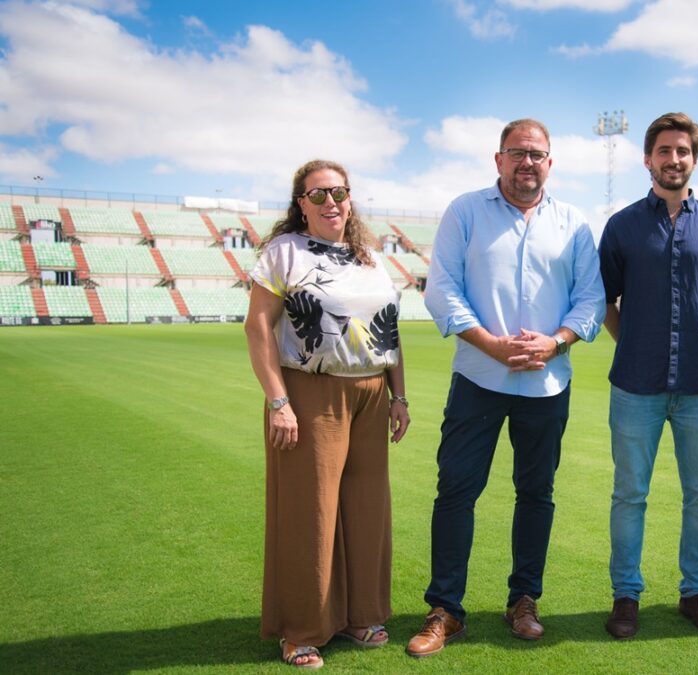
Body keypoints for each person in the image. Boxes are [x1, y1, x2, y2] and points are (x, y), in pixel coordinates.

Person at [406, 118, 606, 658]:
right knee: (456, 492)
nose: (527, 163)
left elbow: (590, 300)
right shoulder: (465, 211)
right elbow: (441, 289)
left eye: (537, 154)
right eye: (517, 153)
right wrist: (491, 344)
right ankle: (445, 608)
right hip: (478, 376)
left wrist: (555, 342)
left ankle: (524, 601)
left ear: (550, 162)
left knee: (536, 494)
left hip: (546, 382)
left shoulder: (573, 223)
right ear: (498, 160)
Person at [245, 159, 411, 669]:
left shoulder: (370, 257)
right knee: (310, 512)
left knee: (367, 511)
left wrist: (399, 396)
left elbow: (389, 331)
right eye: (318, 195)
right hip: (311, 393)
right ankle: (302, 629)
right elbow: (257, 328)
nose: (331, 202)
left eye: (338, 192)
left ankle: (362, 615)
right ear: (302, 204)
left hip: (370, 394)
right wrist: (278, 400)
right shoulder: (283, 252)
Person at [597, 112, 698, 639]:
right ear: (648, 159)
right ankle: (625, 596)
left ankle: (695, 593)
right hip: (635, 384)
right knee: (629, 494)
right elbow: (603, 301)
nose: (673, 159)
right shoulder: (623, 226)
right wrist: (635, 339)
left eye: (683, 151)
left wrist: (696, 335)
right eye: (664, 150)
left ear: (694, 160)